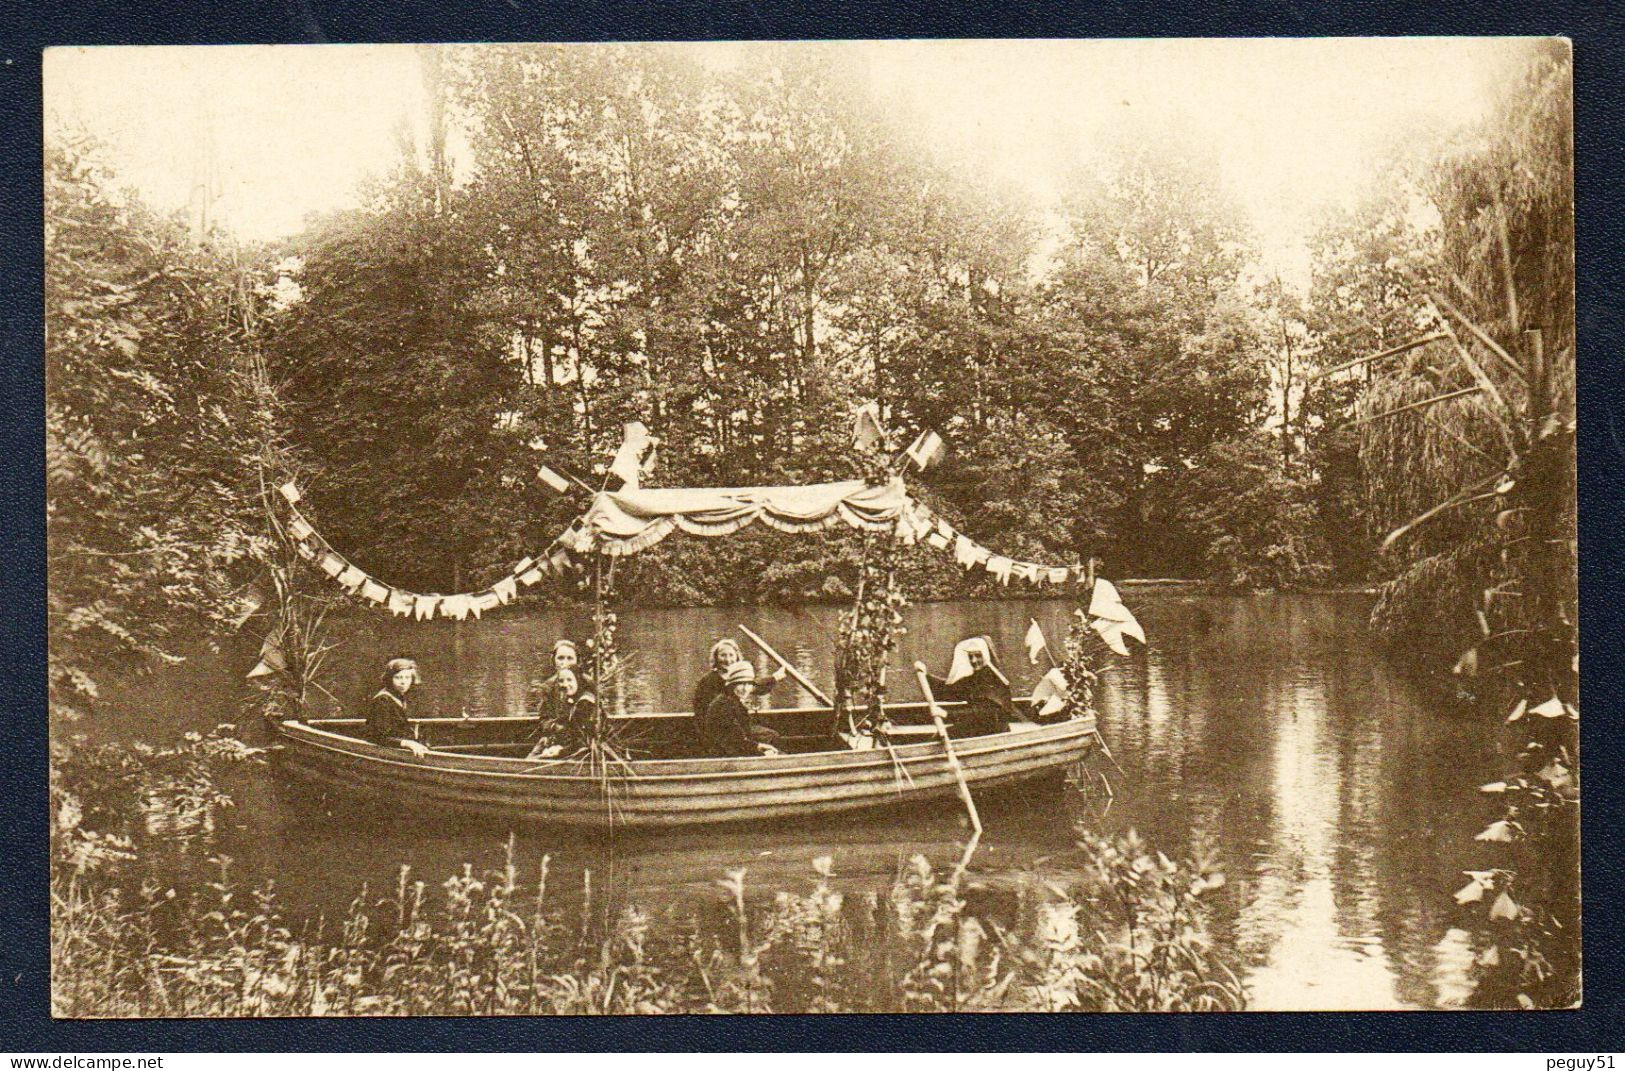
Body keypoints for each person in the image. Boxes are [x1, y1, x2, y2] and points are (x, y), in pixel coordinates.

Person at [916, 636, 1017, 738]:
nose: (973, 660)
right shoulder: (975, 678)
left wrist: (947, 714)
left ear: (986, 656)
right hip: (978, 726)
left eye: (978, 656)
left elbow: (984, 713)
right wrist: (926, 675)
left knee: (946, 736)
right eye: (970, 656)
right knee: (941, 736)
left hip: (993, 731)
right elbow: (948, 691)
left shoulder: (995, 681)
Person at [695, 660, 782, 758]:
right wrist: (758, 748)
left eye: (749, 684)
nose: (745, 689)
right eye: (741, 684)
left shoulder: (732, 700)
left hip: (731, 749)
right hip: (723, 755)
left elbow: (739, 738)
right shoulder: (724, 705)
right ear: (732, 684)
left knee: (772, 736)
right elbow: (734, 743)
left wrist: (758, 746)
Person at [691, 638, 785, 719]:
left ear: (737, 657)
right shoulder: (707, 681)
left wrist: (775, 677)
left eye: (731, 655)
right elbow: (701, 712)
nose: (728, 660)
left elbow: (755, 687)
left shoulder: (738, 677)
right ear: (716, 657)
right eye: (723, 655)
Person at [361, 657, 430, 756]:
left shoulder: (399, 697)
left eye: (407, 678)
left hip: (397, 750)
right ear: (390, 678)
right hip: (385, 753)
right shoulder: (383, 700)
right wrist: (407, 743)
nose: (403, 682)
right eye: (398, 677)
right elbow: (378, 737)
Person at [526, 667, 596, 759]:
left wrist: (560, 750)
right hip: (565, 746)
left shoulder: (585, 703)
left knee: (534, 761)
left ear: (578, 681)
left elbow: (582, 741)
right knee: (533, 756)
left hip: (581, 754)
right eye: (561, 681)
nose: (565, 684)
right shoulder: (569, 699)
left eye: (569, 680)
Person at [525, 639, 583, 715]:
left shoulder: (587, 683)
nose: (565, 662)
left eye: (570, 658)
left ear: (578, 661)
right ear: (553, 661)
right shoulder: (545, 687)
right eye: (560, 658)